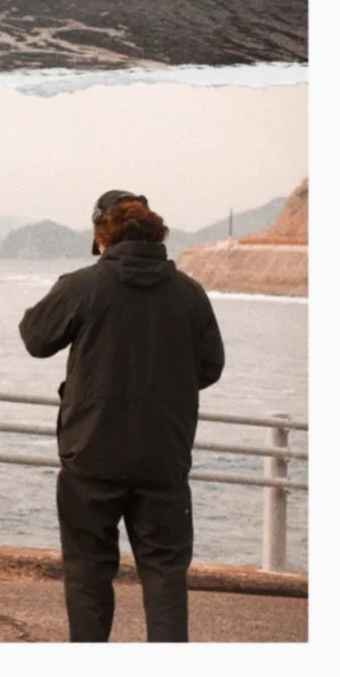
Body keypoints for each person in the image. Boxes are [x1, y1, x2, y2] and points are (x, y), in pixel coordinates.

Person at [18, 189, 225, 642]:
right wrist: (163, 394)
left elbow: (34, 337)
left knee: (89, 573)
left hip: (91, 454)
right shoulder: (189, 293)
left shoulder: (84, 284)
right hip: (163, 457)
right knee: (165, 574)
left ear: (101, 237)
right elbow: (211, 367)